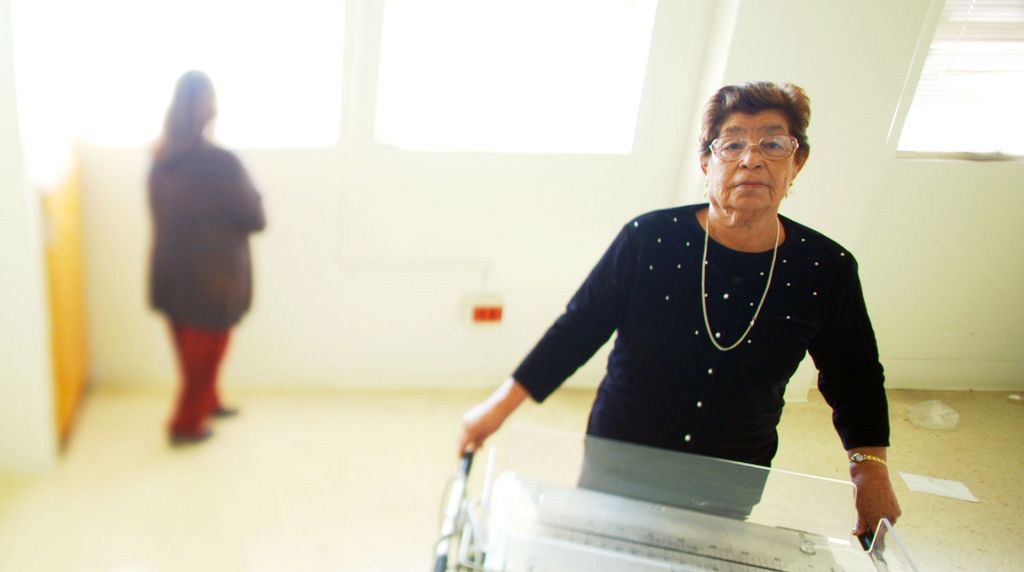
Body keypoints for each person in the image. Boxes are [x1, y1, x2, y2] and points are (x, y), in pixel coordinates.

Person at [458, 81, 900, 537]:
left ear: (797, 162)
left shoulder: (825, 268)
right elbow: (578, 328)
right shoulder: (649, 239)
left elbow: (856, 376)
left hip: (733, 468)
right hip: (623, 454)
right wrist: (497, 408)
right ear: (706, 163)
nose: (751, 159)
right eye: (732, 145)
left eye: (772, 143)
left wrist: (869, 471)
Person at [148, 70, 266, 446]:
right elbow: (255, 217)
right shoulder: (222, 163)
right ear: (208, 108)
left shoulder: (160, 160)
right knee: (206, 358)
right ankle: (185, 426)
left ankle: (209, 402)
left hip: (169, 277)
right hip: (213, 283)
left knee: (192, 357)